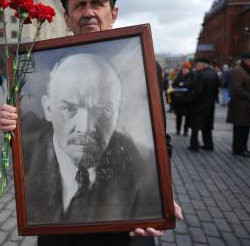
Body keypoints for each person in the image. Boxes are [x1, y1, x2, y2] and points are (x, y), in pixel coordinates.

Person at [0, 0, 182, 246]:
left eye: (97, 3)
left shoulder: (142, 63)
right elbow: (20, 141)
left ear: (113, 13)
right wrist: (10, 124)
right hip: (58, 236)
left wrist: (159, 194)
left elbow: (160, 141)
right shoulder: (37, 63)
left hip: (126, 235)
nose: (88, 12)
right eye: (79, 5)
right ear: (67, 18)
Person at [24, 53, 161, 225]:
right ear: (48, 108)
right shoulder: (25, 155)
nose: (86, 128)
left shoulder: (144, 169)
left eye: (104, 111)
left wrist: (162, 206)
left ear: (119, 111)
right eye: (68, 109)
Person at [227, 51, 250, 157]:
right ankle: (239, 149)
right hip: (240, 106)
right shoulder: (238, 70)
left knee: (245, 128)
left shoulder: (247, 70)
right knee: (240, 129)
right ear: (247, 60)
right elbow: (236, 88)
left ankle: (242, 147)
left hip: (246, 105)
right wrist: (248, 96)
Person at [187, 57, 219, 152]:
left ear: (202, 65)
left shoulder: (200, 74)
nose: (196, 66)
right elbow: (217, 88)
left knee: (195, 126)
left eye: (197, 64)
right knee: (207, 126)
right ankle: (209, 145)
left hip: (199, 105)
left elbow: (198, 92)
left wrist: (189, 97)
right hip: (210, 104)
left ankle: (194, 145)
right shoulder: (214, 73)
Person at [172, 62, 193, 136]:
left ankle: (186, 131)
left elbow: (192, 85)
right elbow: (173, 85)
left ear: (189, 69)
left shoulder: (192, 76)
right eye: (184, 68)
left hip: (188, 100)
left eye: (186, 69)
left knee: (188, 117)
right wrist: (178, 86)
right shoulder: (179, 75)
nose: (184, 70)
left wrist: (183, 84)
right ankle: (178, 129)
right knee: (179, 116)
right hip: (179, 99)